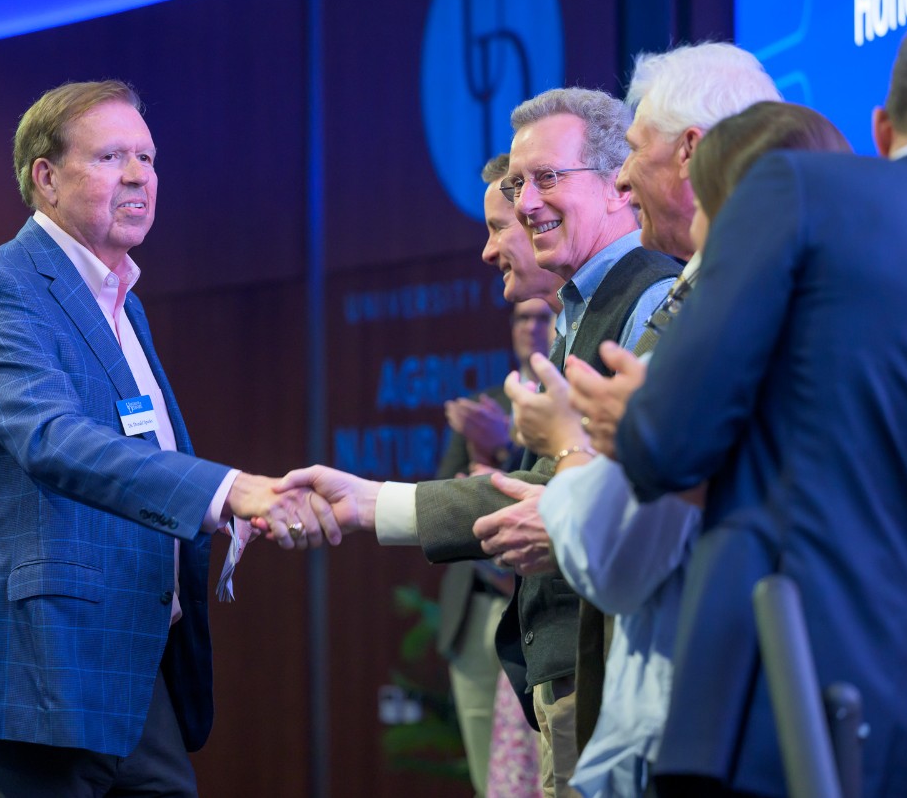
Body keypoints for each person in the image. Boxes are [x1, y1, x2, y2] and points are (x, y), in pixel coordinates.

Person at [0, 80, 332, 797]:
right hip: (36, 677)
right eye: (111, 156)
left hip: (133, 669)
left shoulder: (123, 305)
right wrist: (225, 489)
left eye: (148, 157)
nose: (140, 175)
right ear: (45, 177)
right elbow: (51, 438)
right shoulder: (1, 288)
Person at [280, 87, 680, 798]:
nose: (524, 206)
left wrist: (373, 504)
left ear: (620, 186)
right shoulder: (579, 311)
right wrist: (368, 502)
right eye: (520, 183)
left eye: (546, 179)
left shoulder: (649, 299)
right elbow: (548, 492)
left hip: (615, 674)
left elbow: (635, 491)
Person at [495, 99, 850, 798]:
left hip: (715, 720)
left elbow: (616, 562)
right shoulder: (871, 347)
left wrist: (573, 444)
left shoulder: (705, 364)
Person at [617, 27, 907, 796]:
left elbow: (666, 443)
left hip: (804, 692)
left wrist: (631, 410)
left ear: (881, 129)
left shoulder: (799, 190)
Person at [436, 155, 560, 798]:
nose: (530, 329)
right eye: (521, 322)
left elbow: (562, 485)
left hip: (551, 612)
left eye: (541, 317)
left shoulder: (593, 363)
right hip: (480, 610)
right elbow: (453, 494)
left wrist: (506, 446)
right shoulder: (490, 397)